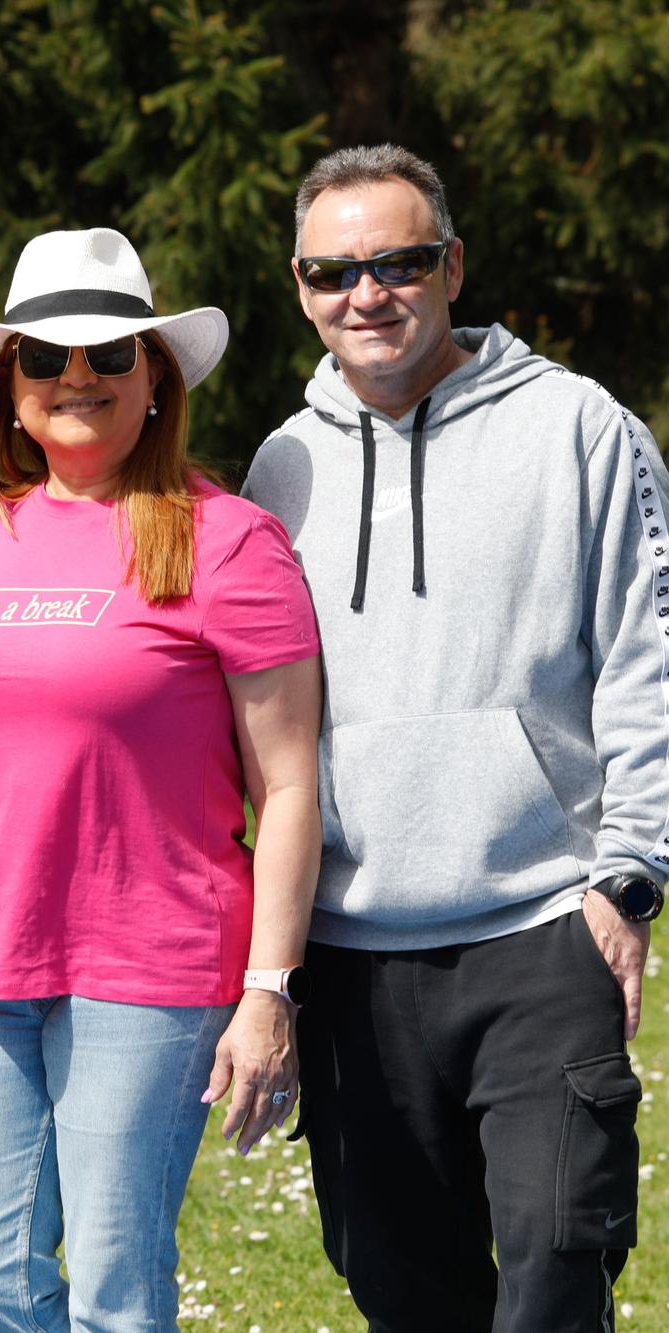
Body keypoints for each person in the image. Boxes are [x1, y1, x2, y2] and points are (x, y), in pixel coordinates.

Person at [240, 144, 668, 1331]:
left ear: (452, 264)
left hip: (541, 929)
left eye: (397, 261)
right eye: (333, 272)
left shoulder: (580, 427)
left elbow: (650, 658)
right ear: (297, 284)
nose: (365, 294)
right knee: (402, 1291)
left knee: (553, 1271)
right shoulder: (281, 465)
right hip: (350, 952)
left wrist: (627, 877)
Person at [0, 228, 323, 1330]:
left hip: (153, 967)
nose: (73, 376)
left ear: (153, 376)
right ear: (8, 388)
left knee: (116, 1291)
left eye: (106, 354)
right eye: (42, 355)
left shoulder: (226, 541)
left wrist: (266, 990)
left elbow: (285, 785)